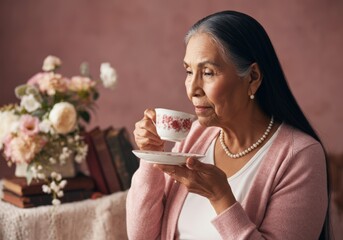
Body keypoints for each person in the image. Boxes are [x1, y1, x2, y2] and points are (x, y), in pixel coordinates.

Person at [126, 10, 330, 240]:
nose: (192, 89)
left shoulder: (300, 155)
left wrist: (221, 199)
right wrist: (151, 155)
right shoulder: (196, 137)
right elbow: (140, 236)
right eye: (189, 71)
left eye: (208, 72)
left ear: (252, 77)